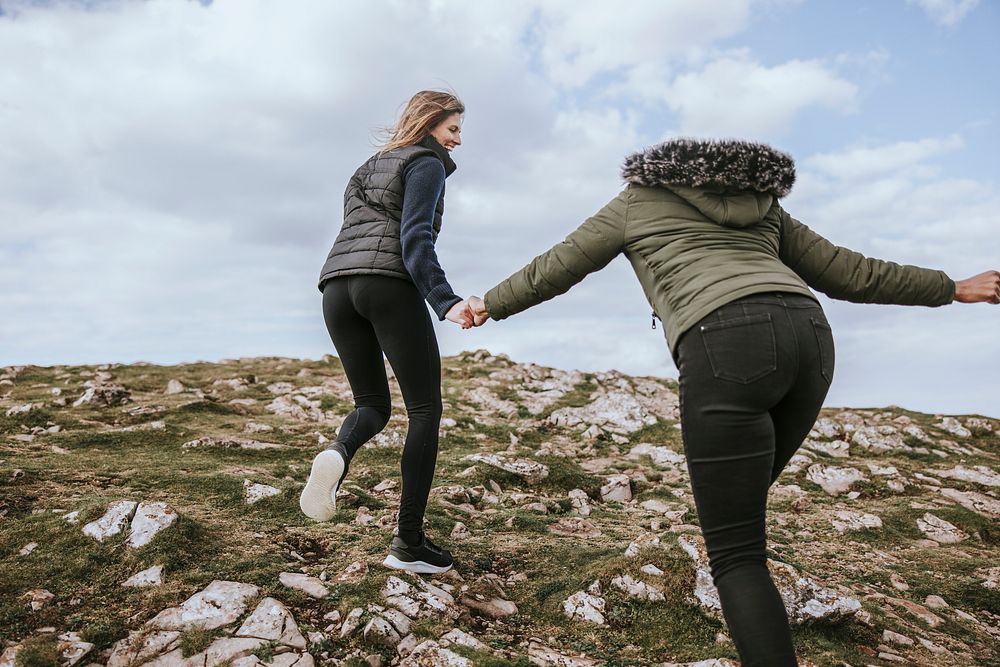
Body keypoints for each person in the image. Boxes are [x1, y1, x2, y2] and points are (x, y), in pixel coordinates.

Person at [464, 138, 999, 666]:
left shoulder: (636, 200)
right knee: (739, 506)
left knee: (737, 555)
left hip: (726, 338)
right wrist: (953, 287)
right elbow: (848, 270)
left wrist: (489, 303)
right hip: (810, 339)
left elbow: (560, 263)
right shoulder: (764, 205)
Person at [301, 90, 473, 575]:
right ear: (429, 122)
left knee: (371, 405)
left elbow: (357, 231)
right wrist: (446, 300)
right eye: (453, 129)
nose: (457, 140)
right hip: (388, 285)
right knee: (424, 410)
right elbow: (413, 236)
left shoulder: (368, 166)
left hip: (336, 289)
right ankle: (409, 543)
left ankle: (337, 452)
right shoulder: (426, 163)